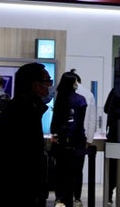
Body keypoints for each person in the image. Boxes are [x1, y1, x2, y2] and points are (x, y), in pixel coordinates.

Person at [0, 62, 52, 207]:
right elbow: (24, 160)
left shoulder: (28, 109)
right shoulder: (22, 113)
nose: (50, 86)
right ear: (35, 85)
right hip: (17, 193)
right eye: (47, 81)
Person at [51, 70, 90, 207]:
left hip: (61, 140)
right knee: (77, 170)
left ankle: (59, 198)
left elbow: (55, 121)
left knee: (60, 170)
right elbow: (80, 123)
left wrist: (55, 134)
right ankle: (76, 198)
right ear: (73, 83)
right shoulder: (81, 100)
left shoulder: (59, 99)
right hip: (77, 141)